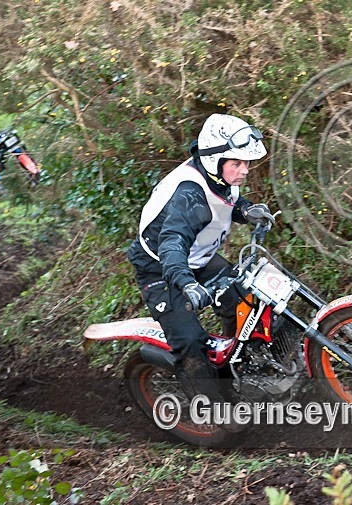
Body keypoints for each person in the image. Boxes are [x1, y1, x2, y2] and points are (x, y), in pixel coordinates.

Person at [127, 113, 275, 402]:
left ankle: (238, 367)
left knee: (248, 301)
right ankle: (214, 413)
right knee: (190, 340)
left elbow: (223, 200)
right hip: (161, 269)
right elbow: (171, 244)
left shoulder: (218, 174)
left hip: (200, 259)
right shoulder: (187, 196)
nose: (245, 170)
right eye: (238, 163)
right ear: (215, 160)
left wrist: (245, 210)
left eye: (246, 162)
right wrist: (187, 283)